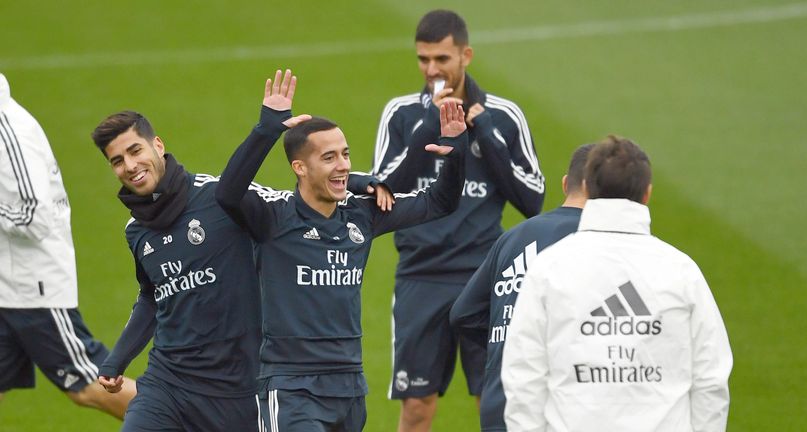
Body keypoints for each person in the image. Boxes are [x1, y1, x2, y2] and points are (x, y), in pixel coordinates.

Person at [214, 69, 467, 432]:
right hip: (291, 390)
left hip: (349, 389)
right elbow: (228, 193)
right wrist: (266, 130)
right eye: (329, 157)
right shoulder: (273, 218)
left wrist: (455, 154)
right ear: (299, 167)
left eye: (345, 154)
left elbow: (439, 203)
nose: (344, 165)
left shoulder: (363, 214)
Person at [369, 9, 546, 431]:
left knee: (497, 405)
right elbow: (384, 189)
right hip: (421, 276)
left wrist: (482, 129)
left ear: (465, 55)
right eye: (423, 59)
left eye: (442, 60)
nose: (432, 71)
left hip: (486, 278)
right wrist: (432, 122)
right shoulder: (402, 114)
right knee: (416, 408)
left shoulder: (504, 116)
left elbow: (532, 199)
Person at [502, 136, 733, 431]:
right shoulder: (681, 271)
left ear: (585, 187)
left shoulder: (549, 268)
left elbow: (524, 379)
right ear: (647, 194)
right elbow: (710, 380)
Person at [90, 107, 265, 430]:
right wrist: (118, 358)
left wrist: (357, 185)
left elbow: (297, 207)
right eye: (117, 161)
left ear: (157, 145)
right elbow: (152, 295)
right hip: (167, 383)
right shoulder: (136, 231)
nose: (129, 166)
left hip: (238, 388)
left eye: (134, 150)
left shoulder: (221, 197)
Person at [0, 73, 136, 419]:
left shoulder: (11, 132)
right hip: (6, 283)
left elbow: (35, 217)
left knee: (88, 384)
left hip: (29, 286)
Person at [450, 143, 594, 432]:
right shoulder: (598, 241)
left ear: (566, 184)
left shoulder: (514, 237)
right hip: (562, 403)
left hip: (500, 402)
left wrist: (508, 344)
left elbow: (463, 314)